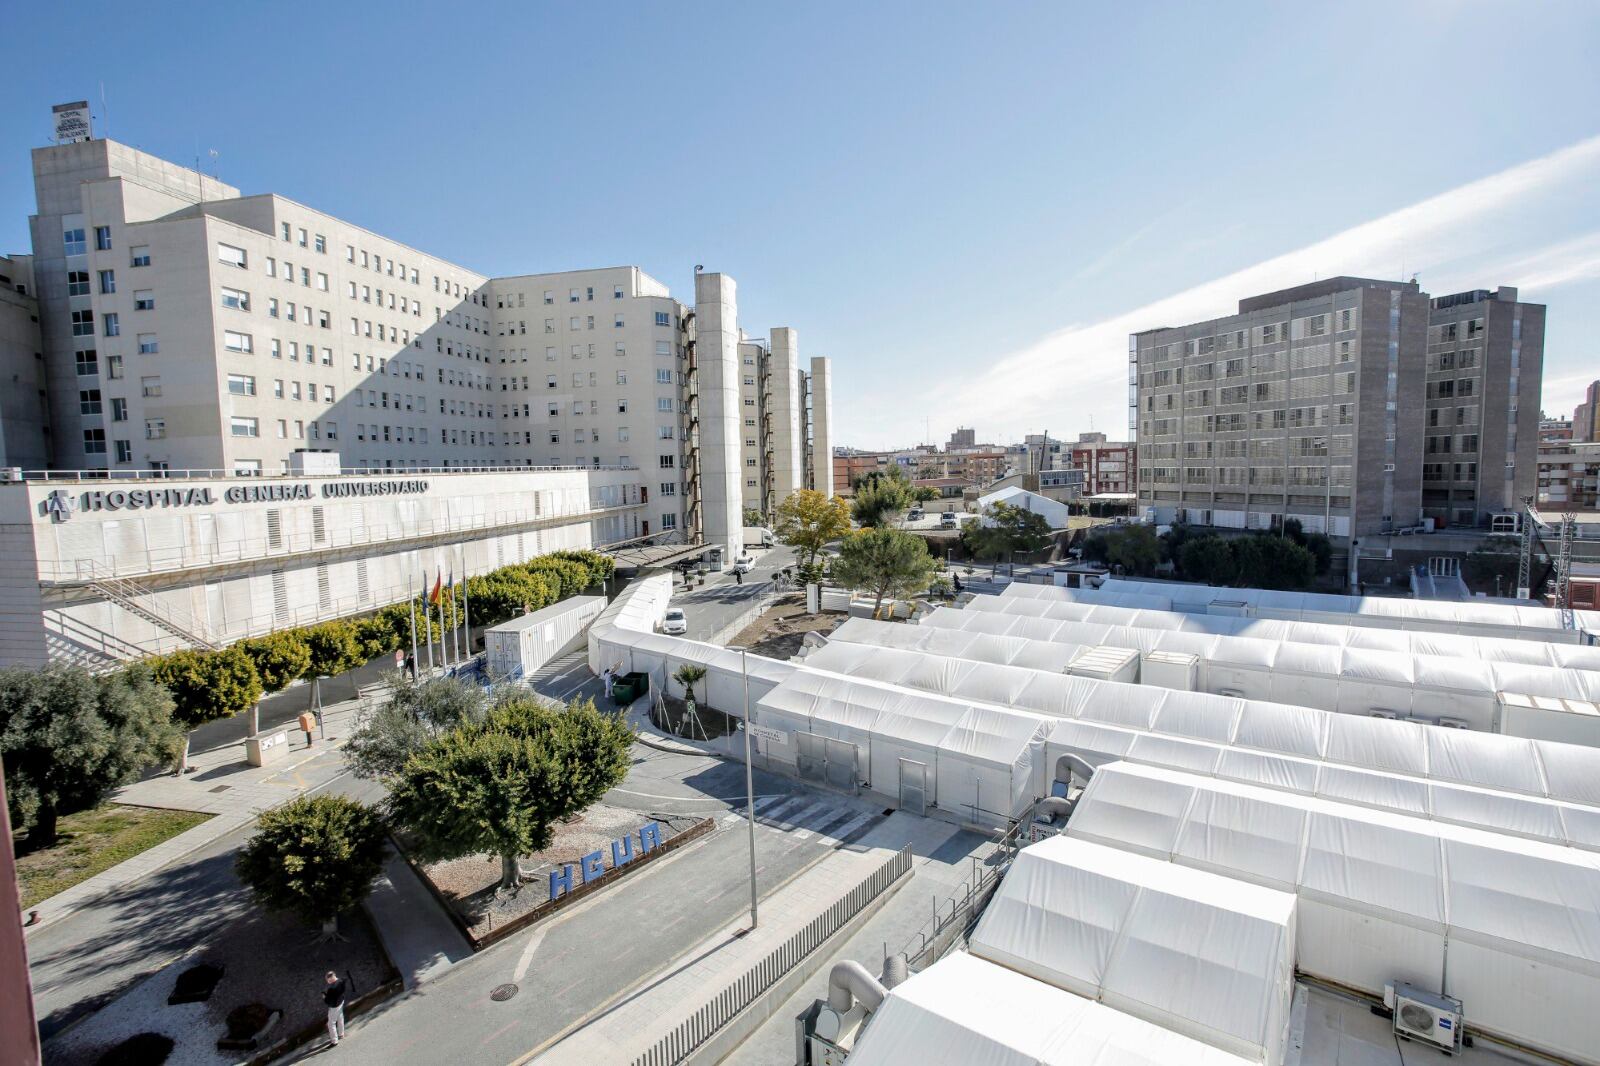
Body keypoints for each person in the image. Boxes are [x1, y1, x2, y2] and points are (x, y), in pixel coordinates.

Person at [323, 970, 347, 1046]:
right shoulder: (342, 980)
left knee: (331, 1023)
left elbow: (327, 1001)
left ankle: (334, 1041)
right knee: (340, 1017)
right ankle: (341, 1034)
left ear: (331, 979)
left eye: (328, 980)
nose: (327, 982)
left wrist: (324, 997)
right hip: (341, 1001)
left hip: (334, 1006)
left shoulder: (331, 989)